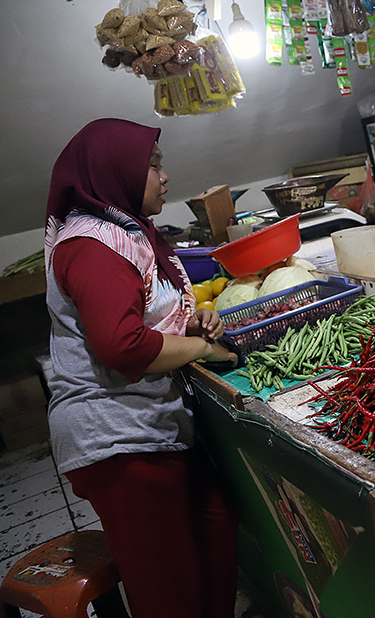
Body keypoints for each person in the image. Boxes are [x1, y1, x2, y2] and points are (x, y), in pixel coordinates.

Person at [44, 118, 239, 618]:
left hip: (151, 426)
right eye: (152, 166)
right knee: (168, 592)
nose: (164, 177)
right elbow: (121, 344)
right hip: (118, 442)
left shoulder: (130, 234)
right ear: (116, 171)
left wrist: (194, 320)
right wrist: (201, 350)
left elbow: (146, 313)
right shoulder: (91, 244)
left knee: (215, 532)